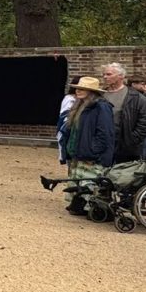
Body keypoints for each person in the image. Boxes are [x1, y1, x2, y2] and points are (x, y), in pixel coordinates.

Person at [60, 76, 115, 215]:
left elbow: (105, 133)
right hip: (78, 152)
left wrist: (93, 151)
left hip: (91, 155)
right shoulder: (79, 105)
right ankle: (79, 206)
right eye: (77, 88)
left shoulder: (101, 107)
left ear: (92, 91)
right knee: (78, 182)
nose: (78, 91)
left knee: (90, 183)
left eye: (83, 89)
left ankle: (94, 209)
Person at [99, 63, 146, 163]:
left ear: (121, 76)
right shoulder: (100, 95)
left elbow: (145, 124)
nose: (105, 77)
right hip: (102, 144)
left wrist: (130, 140)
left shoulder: (137, 98)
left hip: (124, 148)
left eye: (109, 74)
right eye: (104, 74)